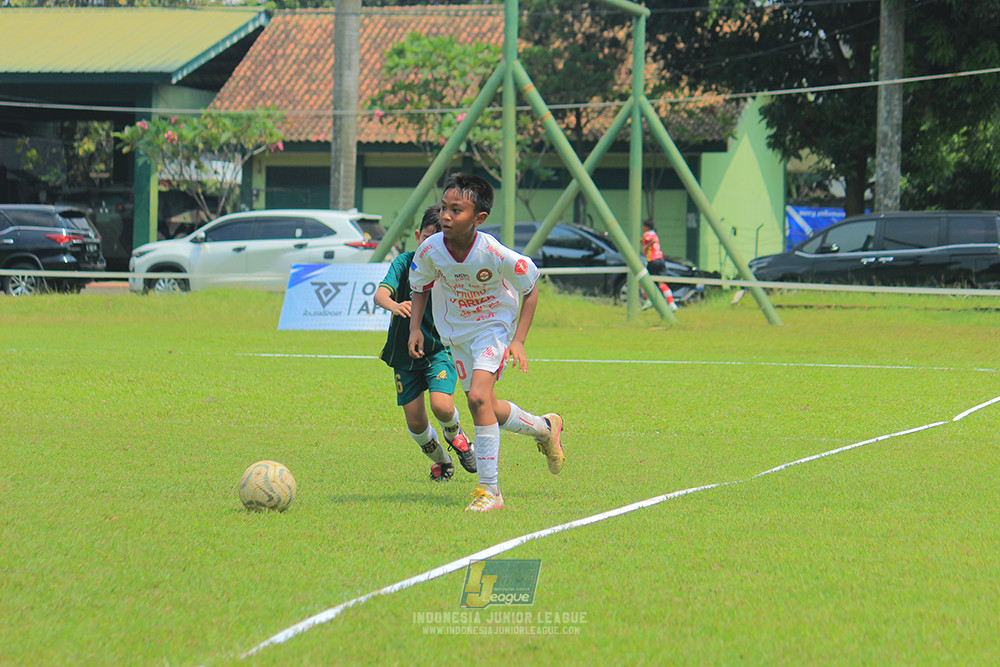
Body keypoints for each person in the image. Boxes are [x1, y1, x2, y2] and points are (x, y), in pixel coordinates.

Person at [407, 173, 564, 513]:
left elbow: (530, 290)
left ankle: (490, 491)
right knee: (487, 406)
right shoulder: (431, 250)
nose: (446, 216)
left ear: (479, 218)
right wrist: (414, 329)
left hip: (492, 327)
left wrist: (518, 340)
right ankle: (544, 428)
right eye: (444, 208)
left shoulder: (493, 252)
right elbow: (419, 286)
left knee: (477, 397)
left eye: (456, 210)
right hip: (456, 333)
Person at [374, 205, 476, 482]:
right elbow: (380, 294)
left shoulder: (451, 268)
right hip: (404, 356)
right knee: (416, 423)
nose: (433, 246)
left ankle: (459, 437)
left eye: (440, 240)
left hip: (439, 349)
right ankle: (442, 462)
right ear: (418, 237)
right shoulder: (404, 263)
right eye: (428, 238)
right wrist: (395, 305)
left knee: (442, 406)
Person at [640, 218, 678, 311]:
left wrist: (645, 246)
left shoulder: (647, 234)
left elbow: (651, 241)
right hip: (660, 259)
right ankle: (671, 303)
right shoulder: (654, 233)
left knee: (643, 281)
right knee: (661, 283)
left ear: (646, 227)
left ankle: (649, 299)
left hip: (652, 260)